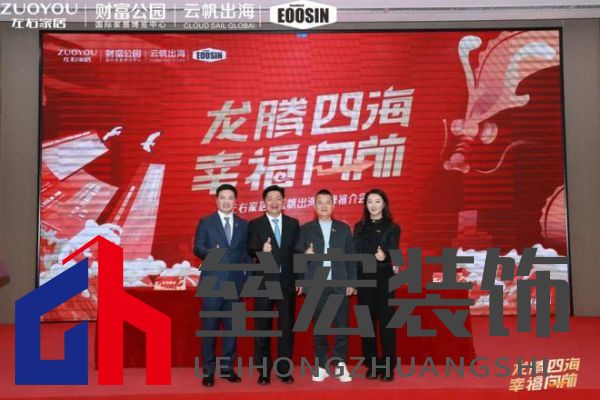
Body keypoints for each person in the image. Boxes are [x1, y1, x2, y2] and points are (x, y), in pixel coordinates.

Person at [295, 189, 357, 383]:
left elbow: (351, 257)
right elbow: (297, 256)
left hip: (339, 282)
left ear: (333, 205)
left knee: (341, 326)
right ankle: (321, 365)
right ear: (314, 206)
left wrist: (352, 282)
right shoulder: (306, 229)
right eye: (320, 202)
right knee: (319, 327)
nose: (324, 206)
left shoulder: (344, 229)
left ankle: (339, 364)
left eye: (327, 202)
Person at [193, 184, 249, 387]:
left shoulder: (244, 225)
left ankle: (227, 369)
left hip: (235, 285)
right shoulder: (206, 222)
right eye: (222, 198)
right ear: (217, 201)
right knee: (210, 329)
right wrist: (211, 253)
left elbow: (247, 256)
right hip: (212, 284)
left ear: (235, 202)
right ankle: (208, 371)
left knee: (231, 330)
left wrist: (247, 281)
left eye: (230, 198)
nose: (226, 201)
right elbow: (197, 247)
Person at [247, 185, 300, 385]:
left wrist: (300, 279)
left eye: (278, 198)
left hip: (286, 283)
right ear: (264, 202)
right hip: (263, 283)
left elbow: (297, 254)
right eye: (270, 198)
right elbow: (249, 247)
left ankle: (284, 370)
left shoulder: (293, 224)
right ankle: (264, 371)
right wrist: (261, 248)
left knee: (286, 329)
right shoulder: (255, 224)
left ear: (283, 201)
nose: (274, 202)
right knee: (263, 329)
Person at [353, 188, 400, 382]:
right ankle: (372, 365)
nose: (373, 205)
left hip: (384, 278)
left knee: (387, 325)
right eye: (369, 201)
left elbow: (395, 252)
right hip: (364, 278)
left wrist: (385, 255)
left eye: (377, 201)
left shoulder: (392, 227)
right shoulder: (359, 226)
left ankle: (388, 367)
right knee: (367, 325)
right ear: (366, 205)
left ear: (384, 204)